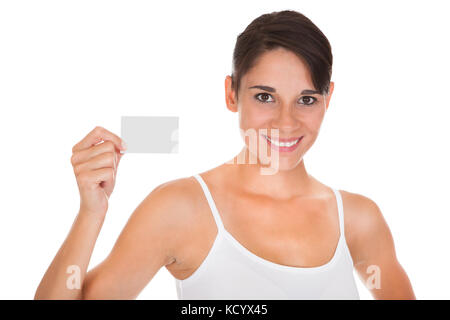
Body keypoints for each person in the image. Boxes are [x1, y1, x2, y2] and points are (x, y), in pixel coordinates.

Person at [35, 10, 415, 300]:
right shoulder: (181, 209)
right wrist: (91, 213)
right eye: (264, 96)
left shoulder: (360, 220)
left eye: (306, 99)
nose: (286, 122)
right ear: (231, 93)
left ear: (328, 98)